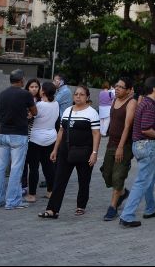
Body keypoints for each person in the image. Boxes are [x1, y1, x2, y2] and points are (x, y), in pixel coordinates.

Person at [40, 85, 101, 219]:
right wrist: (55, 149)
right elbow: (61, 131)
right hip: (65, 151)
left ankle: (81, 205)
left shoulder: (92, 112)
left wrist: (94, 153)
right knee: (59, 180)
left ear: (87, 97)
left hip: (84, 151)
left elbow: (96, 134)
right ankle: (52, 210)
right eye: (76, 94)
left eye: (81, 94)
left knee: (84, 180)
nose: (78, 96)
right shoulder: (68, 110)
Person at [119, 77, 155, 227]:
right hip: (146, 145)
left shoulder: (145, 103)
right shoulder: (149, 105)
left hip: (141, 145)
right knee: (142, 181)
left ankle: (150, 208)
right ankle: (127, 216)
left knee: (150, 178)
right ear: (154, 89)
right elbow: (146, 128)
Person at [0, 70, 37, 210]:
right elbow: (35, 112)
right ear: (21, 80)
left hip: (3, 134)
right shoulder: (25, 94)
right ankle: (12, 201)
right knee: (16, 169)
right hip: (18, 135)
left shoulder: (2, 94)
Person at [101, 77, 137, 221]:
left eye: (121, 87)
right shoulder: (114, 101)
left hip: (124, 146)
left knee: (118, 176)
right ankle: (122, 192)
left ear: (129, 90)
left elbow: (127, 126)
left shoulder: (131, 102)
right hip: (111, 143)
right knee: (106, 175)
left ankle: (113, 207)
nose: (117, 89)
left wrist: (121, 147)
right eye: (116, 86)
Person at [26, 82, 58, 204]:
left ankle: (32, 194)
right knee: (48, 166)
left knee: (34, 167)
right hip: (51, 137)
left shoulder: (38, 105)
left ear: (43, 92)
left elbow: (30, 116)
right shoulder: (56, 104)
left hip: (36, 138)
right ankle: (50, 191)